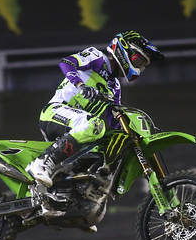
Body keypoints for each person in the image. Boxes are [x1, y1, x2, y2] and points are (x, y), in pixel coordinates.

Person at [25, 29, 165, 187]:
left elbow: (114, 120)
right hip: (54, 112)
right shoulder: (98, 57)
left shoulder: (115, 87)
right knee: (95, 125)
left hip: (78, 129)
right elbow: (67, 63)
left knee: (107, 143)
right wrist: (81, 85)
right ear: (124, 49)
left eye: (143, 66)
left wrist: (138, 133)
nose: (139, 68)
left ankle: (65, 193)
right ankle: (41, 163)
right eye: (138, 61)